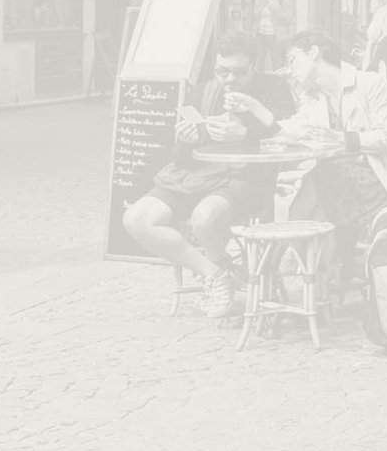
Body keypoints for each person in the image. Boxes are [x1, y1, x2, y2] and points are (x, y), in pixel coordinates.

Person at [123, 32, 297, 317]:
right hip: (194, 177)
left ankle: (218, 276)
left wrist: (246, 133)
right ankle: (216, 274)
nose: (229, 79)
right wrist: (186, 142)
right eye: (222, 71)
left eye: (239, 72)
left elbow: (288, 134)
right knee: (136, 219)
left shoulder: (273, 88)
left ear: (254, 66)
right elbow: (179, 159)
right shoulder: (203, 92)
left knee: (205, 217)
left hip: (245, 177)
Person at [281, 30, 387, 237]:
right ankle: (308, 256)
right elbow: (296, 128)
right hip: (336, 180)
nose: (289, 70)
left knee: (312, 197)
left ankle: (282, 252)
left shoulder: (369, 83)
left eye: (292, 60)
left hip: (376, 179)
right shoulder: (313, 96)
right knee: (314, 212)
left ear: (313, 52)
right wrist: (260, 116)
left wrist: (340, 138)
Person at [252, 0, 293, 71]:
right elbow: (254, 17)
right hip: (259, 34)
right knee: (258, 63)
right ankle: (259, 81)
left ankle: (277, 81)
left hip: (276, 35)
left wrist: (273, 8)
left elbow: (288, 19)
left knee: (277, 63)